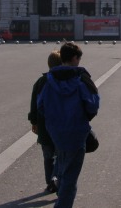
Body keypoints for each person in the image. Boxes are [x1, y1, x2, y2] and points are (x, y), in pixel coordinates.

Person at [38, 42, 100, 208]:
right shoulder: (81, 79)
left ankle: (57, 184)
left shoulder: (48, 80)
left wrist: (54, 121)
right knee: (70, 178)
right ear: (74, 58)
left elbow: (41, 105)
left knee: (63, 167)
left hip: (56, 133)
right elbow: (93, 105)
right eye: (79, 58)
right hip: (76, 132)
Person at [28, 50, 62, 194]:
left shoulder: (41, 82)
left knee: (48, 156)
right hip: (61, 126)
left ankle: (50, 182)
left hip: (44, 126)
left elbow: (34, 105)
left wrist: (34, 122)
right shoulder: (65, 81)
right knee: (61, 156)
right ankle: (58, 179)